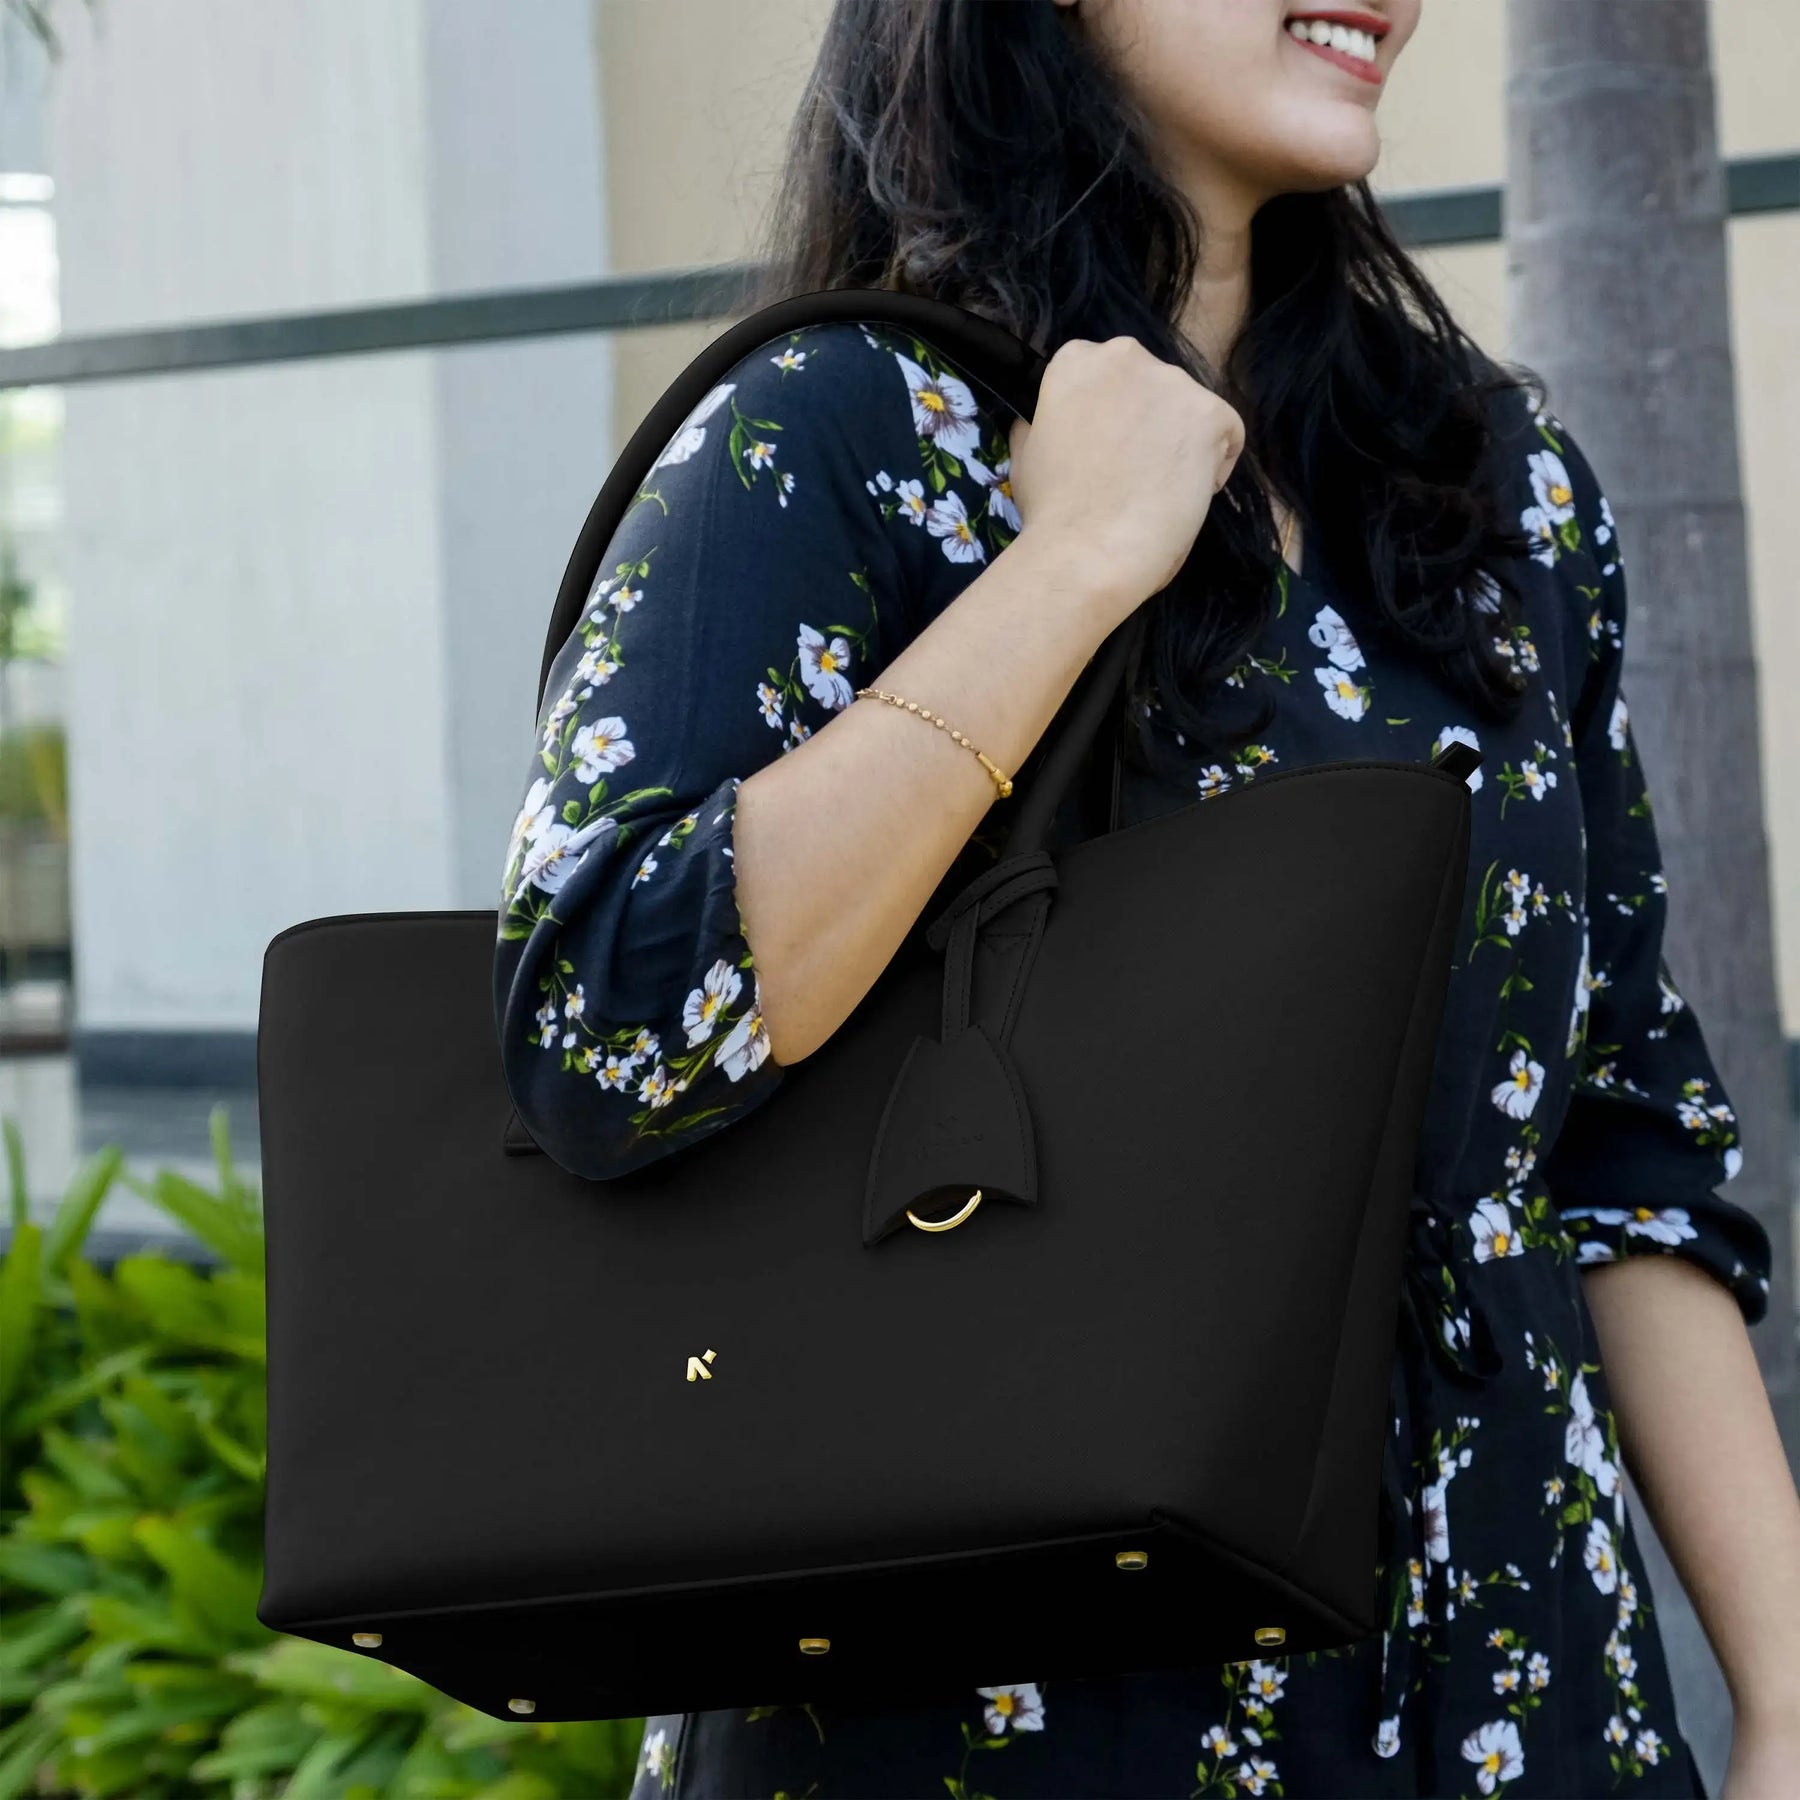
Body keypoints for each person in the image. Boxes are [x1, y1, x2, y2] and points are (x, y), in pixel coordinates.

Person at [494, 1, 1800, 1793]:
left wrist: (1785, 1698)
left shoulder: (1495, 497)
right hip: (1007, 1689)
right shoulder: (839, 427)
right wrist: (1078, 563)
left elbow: (1614, 1143)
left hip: (1508, 1681)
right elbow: (611, 1028)